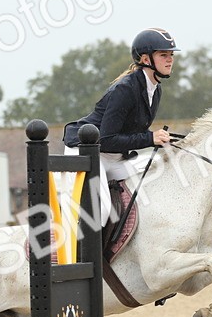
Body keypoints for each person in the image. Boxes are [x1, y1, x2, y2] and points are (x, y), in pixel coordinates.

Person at [63, 28, 177, 220]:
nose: (170, 59)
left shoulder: (155, 90)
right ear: (145, 59)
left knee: (161, 165)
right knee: (102, 213)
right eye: (163, 54)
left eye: (171, 55)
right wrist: (150, 138)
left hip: (114, 157)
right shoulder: (125, 89)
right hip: (88, 152)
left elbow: (131, 130)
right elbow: (106, 139)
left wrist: (159, 139)